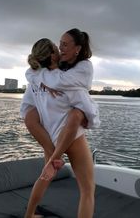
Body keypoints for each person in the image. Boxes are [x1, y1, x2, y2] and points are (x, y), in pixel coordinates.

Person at [20, 29, 99, 218]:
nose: (61, 48)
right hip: (72, 137)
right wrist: (91, 118)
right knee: (88, 190)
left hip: (51, 136)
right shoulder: (69, 85)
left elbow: (27, 110)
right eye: (58, 46)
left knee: (45, 175)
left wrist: (41, 80)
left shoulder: (36, 81)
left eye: (64, 44)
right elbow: (85, 109)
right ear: (53, 56)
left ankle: (29, 215)